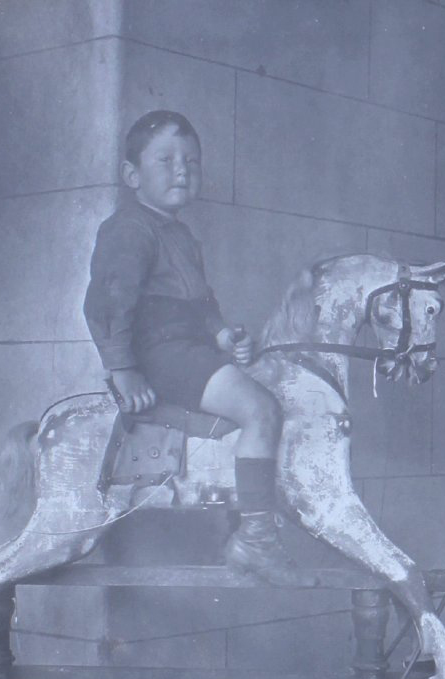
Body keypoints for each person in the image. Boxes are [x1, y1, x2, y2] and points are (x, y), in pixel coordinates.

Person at [84, 110, 305, 583]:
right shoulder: (129, 228)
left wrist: (223, 335)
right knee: (263, 410)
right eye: (165, 159)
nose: (182, 169)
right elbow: (108, 304)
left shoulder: (178, 233)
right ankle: (256, 540)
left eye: (191, 160)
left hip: (188, 348)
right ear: (131, 175)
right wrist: (123, 369)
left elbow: (199, 302)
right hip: (161, 356)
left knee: (270, 389)